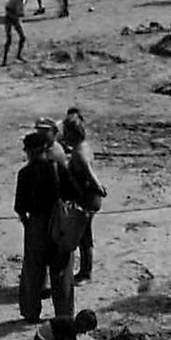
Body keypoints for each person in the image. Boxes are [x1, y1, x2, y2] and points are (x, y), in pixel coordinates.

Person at [14, 131, 73, 323]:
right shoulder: (59, 169)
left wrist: (28, 225)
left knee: (33, 271)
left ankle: (31, 313)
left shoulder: (24, 174)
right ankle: (64, 315)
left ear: (29, 152)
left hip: (36, 224)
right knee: (62, 271)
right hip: (59, 223)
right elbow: (75, 194)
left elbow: (20, 208)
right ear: (47, 149)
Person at [62, 113, 106, 283]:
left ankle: (85, 273)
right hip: (89, 197)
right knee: (84, 235)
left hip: (86, 199)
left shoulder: (79, 154)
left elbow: (89, 173)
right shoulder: (84, 146)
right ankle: (85, 270)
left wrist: (99, 188)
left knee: (83, 237)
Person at [1, 0, 27, 64]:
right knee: (9, 39)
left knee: (22, 37)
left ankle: (18, 55)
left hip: (15, 18)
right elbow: (7, 7)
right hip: (9, 18)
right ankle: (4, 59)